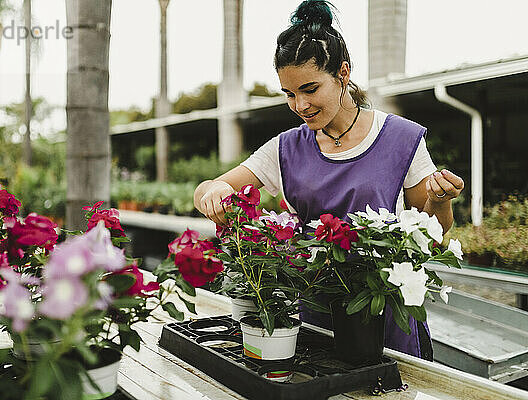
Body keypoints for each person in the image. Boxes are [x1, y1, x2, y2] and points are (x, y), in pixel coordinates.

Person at [193, 0, 464, 360]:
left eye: (309, 88)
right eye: (289, 94)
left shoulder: (401, 138)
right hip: (312, 322)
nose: (300, 105)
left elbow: (436, 233)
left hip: (381, 317)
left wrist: (440, 200)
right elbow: (207, 188)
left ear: (343, 74)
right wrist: (215, 191)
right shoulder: (286, 148)